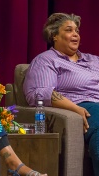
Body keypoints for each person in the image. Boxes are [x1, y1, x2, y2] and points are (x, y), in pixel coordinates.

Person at [23, 12, 99, 175]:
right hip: (83, 106)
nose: (75, 34)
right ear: (54, 35)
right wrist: (75, 108)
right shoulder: (47, 60)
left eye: (77, 31)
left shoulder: (93, 60)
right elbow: (38, 93)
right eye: (69, 30)